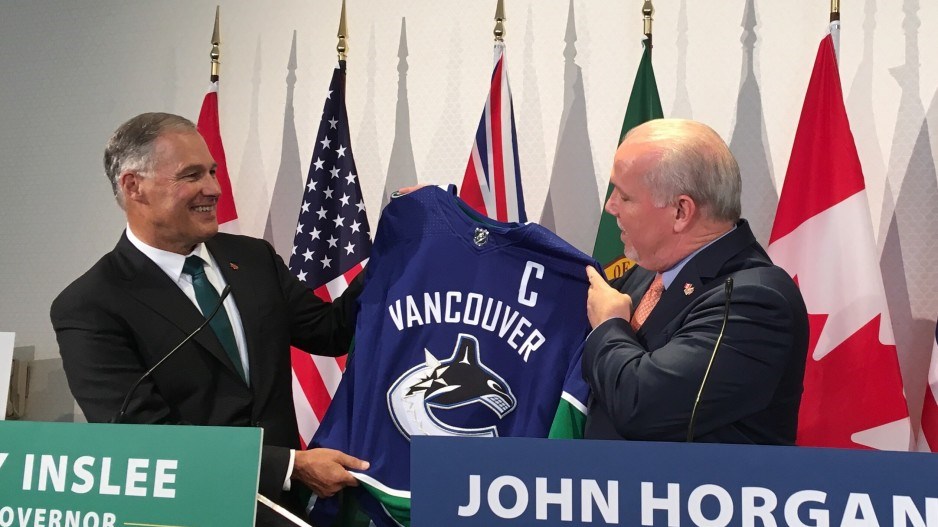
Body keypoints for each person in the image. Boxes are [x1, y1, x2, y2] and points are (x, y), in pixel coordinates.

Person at [51, 112, 368, 520]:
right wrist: (287, 467)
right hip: (191, 512)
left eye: (213, 172)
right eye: (191, 175)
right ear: (134, 186)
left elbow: (333, 332)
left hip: (290, 511)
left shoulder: (251, 259)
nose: (213, 189)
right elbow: (141, 440)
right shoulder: (90, 304)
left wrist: (395, 251)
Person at [583, 118, 808, 445]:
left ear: (680, 212)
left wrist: (608, 326)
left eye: (625, 197)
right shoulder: (648, 272)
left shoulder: (754, 301)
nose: (611, 206)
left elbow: (643, 407)